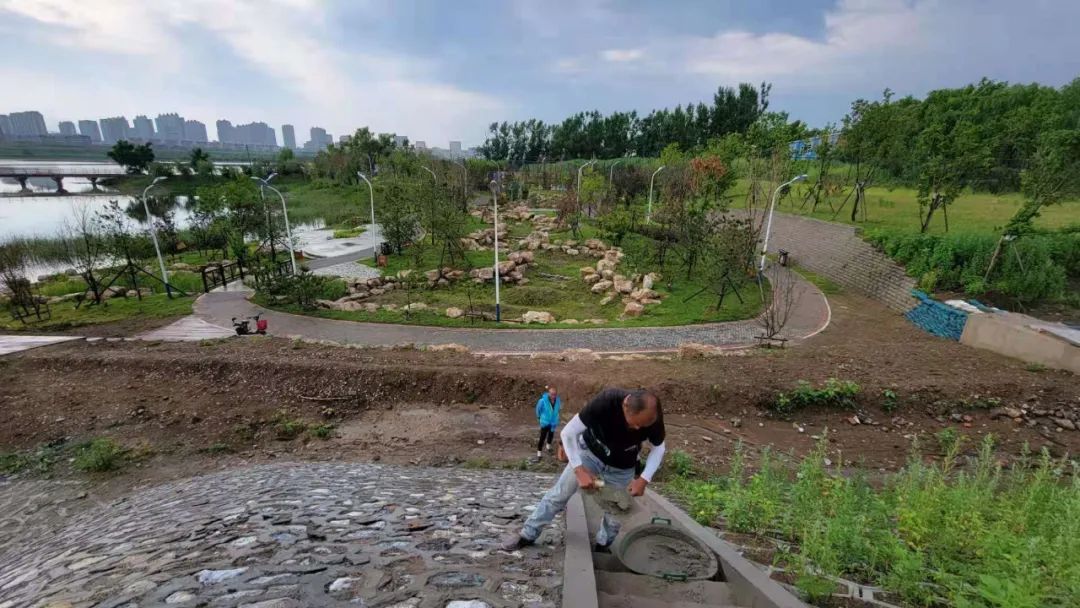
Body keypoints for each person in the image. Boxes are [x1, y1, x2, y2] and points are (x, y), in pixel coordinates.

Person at [502, 388, 666, 552]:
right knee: (559, 494)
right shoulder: (607, 401)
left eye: (643, 425)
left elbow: (658, 448)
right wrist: (579, 470)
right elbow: (568, 433)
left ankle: (603, 545)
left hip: (622, 466)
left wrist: (644, 479)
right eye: (634, 422)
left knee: (617, 510)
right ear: (625, 405)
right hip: (590, 453)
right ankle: (527, 534)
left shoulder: (653, 418)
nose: (638, 428)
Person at [534, 386, 561, 460]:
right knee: (542, 437)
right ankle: (539, 453)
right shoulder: (542, 401)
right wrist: (539, 417)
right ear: (548, 393)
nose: (553, 396)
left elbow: (558, 409)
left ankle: (548, 447)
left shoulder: (558, 401)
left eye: (555, 394)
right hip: (545, 422)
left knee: (551, 435)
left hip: (553, 422)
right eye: (552, 394)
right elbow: (538, 410)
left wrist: (557, 418)